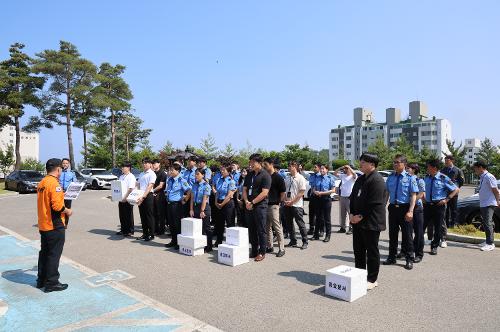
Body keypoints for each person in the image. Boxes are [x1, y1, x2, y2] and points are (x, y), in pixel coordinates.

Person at [349, 153, 387, 290]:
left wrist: (360, 216)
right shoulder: (360, 179)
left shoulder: (377, 180)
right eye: (361, 161)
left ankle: (372, 279)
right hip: (357, 221)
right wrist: (352, 213)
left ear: (372, 164)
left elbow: (375, 203)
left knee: (371, 251)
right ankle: (359, 275)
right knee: (358, 250)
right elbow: (353, 197)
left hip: (371, 222)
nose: (361, 164)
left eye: (363, 162)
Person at [37, 158, 73, 292]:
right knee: (54, 254)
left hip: (44, 224)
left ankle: (41, 279)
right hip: (54, 224)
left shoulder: (42, 182)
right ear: (58, 169)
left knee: (44, 252)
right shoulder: (54, 184)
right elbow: (58, 207)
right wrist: (68, 211)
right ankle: (52, 282)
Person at [383, 154, 418, 270]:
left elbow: (413, 195)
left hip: (405, 208)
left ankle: (409, 259)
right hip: (393, 208)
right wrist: (383, 206)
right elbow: (387, 193)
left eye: (397, 162)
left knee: (407, 235)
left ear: (404, 164)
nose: (395, 164)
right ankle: (391, 257)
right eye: (394, 162)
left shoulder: (410, 178)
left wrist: (411, 211)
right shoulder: (390, 177)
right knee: (392, 234)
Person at [423, 159, 459, 255]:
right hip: (427, 206)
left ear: (434, 168)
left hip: (438, 206)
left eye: (428, 167)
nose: (427, 169)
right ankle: (417, 245)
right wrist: (422, 198)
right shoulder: (426, 177)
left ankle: (434, 247)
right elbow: (422, 189)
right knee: (421, 226)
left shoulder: (443, 178)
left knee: (438, 227)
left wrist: (447, 199)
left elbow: (455, 189)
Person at [243, 153, 271, 261]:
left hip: (260, 206)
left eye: (252, 162)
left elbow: (264, 193)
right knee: (252, 229)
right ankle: (254, 250)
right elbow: (244, 189)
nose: (250, 164)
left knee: (261, 230)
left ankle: (262, 252)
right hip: (248, 205)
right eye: (250, 162)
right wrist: (246, 201)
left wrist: (252, 202)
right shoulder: (249, 175)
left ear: (259, 163)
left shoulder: (265, 175)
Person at [473, 161, 499, 251]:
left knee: (488, 223)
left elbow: (495, 190)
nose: (474, 170)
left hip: (489, 203)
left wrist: (498, 201)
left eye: (475, 168)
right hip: (484, 203)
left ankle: (490, 243)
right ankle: (487, 241)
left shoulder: (489, 176)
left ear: (480, 167)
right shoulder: (483, 177)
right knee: (485, 222)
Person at [263, 157, 286, 257]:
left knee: (277, 227)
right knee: (267, 228)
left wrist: (278, 203)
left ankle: (282, 248)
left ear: (271, 164)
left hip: (274, 206)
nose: (264, 166)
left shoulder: (278, 177)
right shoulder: (265, 176)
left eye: (266, 164)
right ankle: (270, 246)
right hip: (265, 205)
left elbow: (283, 192)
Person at [165, 163, 192, 249]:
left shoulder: (181, 180)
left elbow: (189, 190)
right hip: (169, 204)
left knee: (177, 225)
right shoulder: (170, 179)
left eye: (172, 170)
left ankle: (179, 242)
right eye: (170, 170)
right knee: (171, 224)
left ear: (178, 171)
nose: (170, 171)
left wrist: (185, 200)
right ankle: (173, 241)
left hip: (177, 205)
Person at [440, 155, 465, 246]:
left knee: (453, 209)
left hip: (454, 193)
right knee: (445, 209)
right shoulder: (443, 170)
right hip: (445, 193)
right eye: (445, 160)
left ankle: (453, 223)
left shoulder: (458, 170)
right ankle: (446, 223)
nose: (446, 162)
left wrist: (456, 188)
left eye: (447, 160)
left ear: (452, 161)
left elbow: (461, 181)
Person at [283, 161, 309, 250]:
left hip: (297, 205)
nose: (288, 168)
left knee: (300, 224)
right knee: (289, 224)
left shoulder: (300, 178)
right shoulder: (287, 178)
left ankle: (305, 241)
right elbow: (285, 191)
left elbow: (301, 192)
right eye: (288, 166)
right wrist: (286, 200)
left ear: (295, 167)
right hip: (287, 204)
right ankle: (293, 241)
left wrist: (292, 202)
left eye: (290, 166)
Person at [190, 168, 213, 252]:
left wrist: (202, 210)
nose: (196, 176)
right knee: (198, 228)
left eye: (198, 174)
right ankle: (200, 245)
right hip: (195, 207)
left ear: (203, 175)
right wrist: (191, 209)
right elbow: (192, 198)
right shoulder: (194, 184)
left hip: (204, 208)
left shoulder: (206, 185)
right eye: (195, 174)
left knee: (206, 227)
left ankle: (209, 246)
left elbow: (204, 199)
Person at [406, 163, 425, 262]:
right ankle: (405, 251)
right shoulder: (406, 179)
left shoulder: (420, 180)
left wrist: (410, 200)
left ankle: (419, 254)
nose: (406, 169)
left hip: (417, 208)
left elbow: (421, 194)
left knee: (418, 232)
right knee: (407, 232)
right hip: (407, 207)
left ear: (413, 170)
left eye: (408, 168)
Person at [312, 164, 336, 243]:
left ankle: (328, 235)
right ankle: (316, 235)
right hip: (318, 199)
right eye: (321, 169)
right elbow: (313, 188)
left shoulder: (330, 178)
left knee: (327, 219)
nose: (321, 170)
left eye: (323, 169)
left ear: (327, 170)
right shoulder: (317, 178)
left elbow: (333, 190)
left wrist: (322, 193)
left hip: (326, 199)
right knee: (318, 218)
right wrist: (315, 191)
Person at [214, 165, 237, 246]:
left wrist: (222, 204)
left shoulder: (231, 181)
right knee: (219, 223)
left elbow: (230, 195)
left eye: (224, 170)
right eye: (221, 170)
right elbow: (217, 192)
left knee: (230, 223)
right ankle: (219, 240)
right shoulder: (219, 180)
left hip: (228, 203)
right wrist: (216, 202)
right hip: (219, 202)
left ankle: (231, 242)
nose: (222, 171)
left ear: (229, 172)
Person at [333, 164, 357, 235]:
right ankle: (342, 228)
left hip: (350, 197)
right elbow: (334, 173)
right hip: (342, 196)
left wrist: (349, 167)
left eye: (346, 169)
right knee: (342, 214)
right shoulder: (343, 176)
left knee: (350, 213)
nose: (345, 170)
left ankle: (351, 227)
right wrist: (341, 167)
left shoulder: (352, 176)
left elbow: (355, 174)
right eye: (344, 169)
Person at [136, 158, 157, 241]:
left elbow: (150, 186)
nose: (144, 165)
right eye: (143, 163)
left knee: (149, 215)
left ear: (150, 164)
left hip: (148, 196)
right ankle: (145, 234)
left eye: (146, 163)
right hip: (140, 195)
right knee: (142, 215)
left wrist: (143, 196)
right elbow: (138, 185)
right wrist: (137, 195)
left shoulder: (152, 174)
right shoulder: (141, 174)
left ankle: (151, 234)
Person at [117, 161, 136, 236]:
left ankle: (130, 231)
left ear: (128, 168)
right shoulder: (121, 176)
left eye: (123, 167)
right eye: (122, 167)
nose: (122, 168)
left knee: (128, 215)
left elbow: (130, 188)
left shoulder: (131, 176)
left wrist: (125, 197)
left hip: (128, 199)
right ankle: (123, 229)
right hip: (121, 199)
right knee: (122, 214)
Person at [59, 158, 76, 227]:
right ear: (61, 164)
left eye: (66, 163)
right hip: (59, 192)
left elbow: (75, 183)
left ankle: (65, 224)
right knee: (59, 207)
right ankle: (59, 222)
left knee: (67, 208)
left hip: (68, 193)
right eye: (63, 163)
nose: (65, 164)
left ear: (68, 164)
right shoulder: (58, 172)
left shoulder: (72, 173)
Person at [152, 159, 167, 235]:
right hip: (153, 194)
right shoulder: (153, 173)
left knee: (161, 213)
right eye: (153, 163)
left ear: (159, 164)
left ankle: (161, 230)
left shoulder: (162, 173)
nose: (154, 165)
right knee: (154, 213)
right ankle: (155, 229)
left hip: (160, 195)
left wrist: (152, 190)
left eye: (155, 163)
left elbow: (161, 186)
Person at [307, 164, 321, 236]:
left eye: (315, 167)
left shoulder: (321, 176)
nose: (314, 168)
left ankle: (321, 230)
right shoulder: (312, 176)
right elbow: (311, 186)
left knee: (320, 214)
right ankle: (311, 228)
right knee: (311, 213)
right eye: (314, 167)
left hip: (319, 197)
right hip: (312, 196)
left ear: (319, 168)